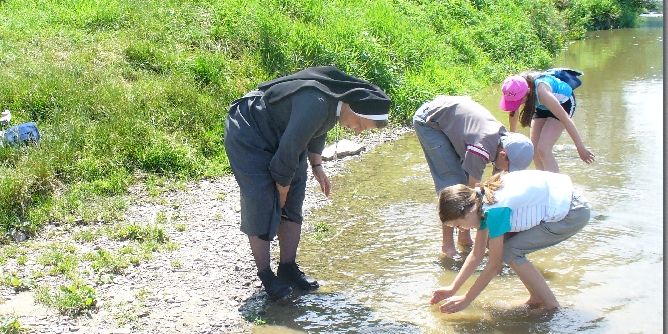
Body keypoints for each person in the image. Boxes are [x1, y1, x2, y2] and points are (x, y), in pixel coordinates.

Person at [224, 66, 391, 301]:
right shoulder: (317, 102)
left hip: (282, 131)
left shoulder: (334, 104)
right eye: (361, 124)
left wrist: (316, 165)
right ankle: (266, 274)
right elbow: (289, 151)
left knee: (295, 194)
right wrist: (281, 190)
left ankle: (287, 267)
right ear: (353, 107)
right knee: (262, 197)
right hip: (250, 126)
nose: (357, 131)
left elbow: (317, 130)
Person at [430, 170, 590, 313]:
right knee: (503, 247)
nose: (463, 230)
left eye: (458, 225)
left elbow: (494, 265)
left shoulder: (494, 210)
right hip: (568, 198)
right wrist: (453, 288)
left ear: (467, 211)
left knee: (509, 251)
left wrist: (466, 299)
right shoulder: (479, 199)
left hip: (573, 212)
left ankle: (551, 305)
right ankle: (536, 298)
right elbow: (477, 254)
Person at [412, 95, 535, 259]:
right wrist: (482, 235)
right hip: (429, 121)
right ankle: (447, 246)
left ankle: (464, 238)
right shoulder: (481, 148)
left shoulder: (504, 142)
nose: (507, 171)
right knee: (454, 185)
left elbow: (493, 190)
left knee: (468, 190)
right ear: (504, 155)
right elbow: (471, 195)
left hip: (452, 119)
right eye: (509, 167)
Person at [500, 71, 595, 173]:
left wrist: (580, 148)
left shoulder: (542, 93)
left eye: (517, 101)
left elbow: (566, 120)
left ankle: (555, 185)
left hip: (563, 103)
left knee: (543, 148)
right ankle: (543, 183)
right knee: (534, 149)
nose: (515, 104)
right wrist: (511, 138)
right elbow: (513, 112)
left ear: (527, 92)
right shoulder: (513, 86)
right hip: (542, 106)